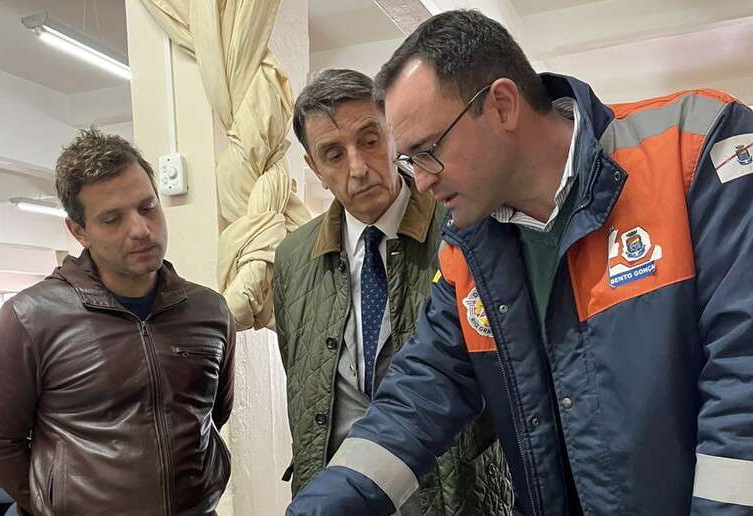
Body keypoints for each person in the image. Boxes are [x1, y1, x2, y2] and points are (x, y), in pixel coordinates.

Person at [286, 9, 753, 516]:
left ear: (502, 105)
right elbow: (418, 398)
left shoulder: (693, 149)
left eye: (428, 151)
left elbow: (742, 382)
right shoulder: (468, 247)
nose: (419, 180)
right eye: (409, 160)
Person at [273, 68, 513, 515]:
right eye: (333, 154)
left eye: (369, 140)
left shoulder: (463, 226)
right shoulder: (293, 259)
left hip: (455, 495)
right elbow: (302, 376)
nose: (358, 168)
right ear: (314, 169)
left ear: (393, 134)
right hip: (341, 498)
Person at [0, 128, 236, 516]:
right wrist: (55, 506)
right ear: (78, 231)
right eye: (112, 219)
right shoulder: (30, 319)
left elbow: (212, 414)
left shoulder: (209, 311)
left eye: (148, 207)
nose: (140, 230)